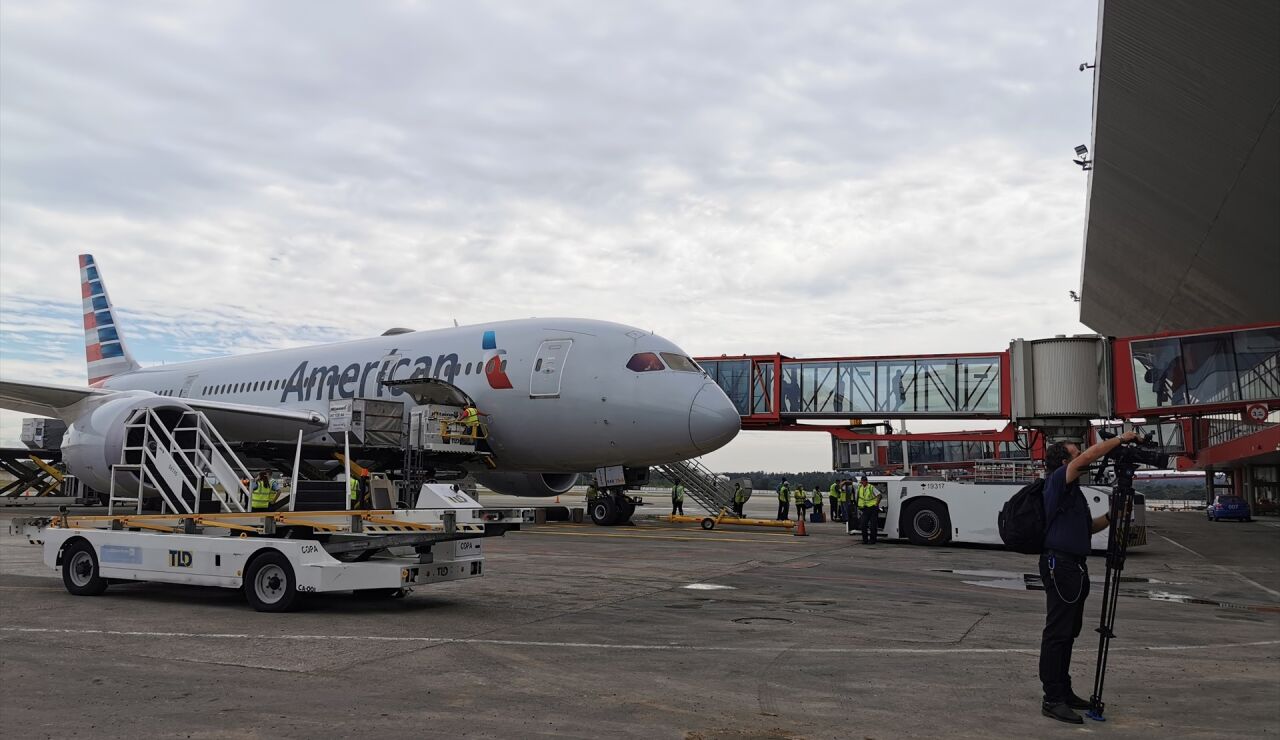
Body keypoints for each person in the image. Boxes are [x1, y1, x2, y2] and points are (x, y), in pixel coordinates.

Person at [1037, 430, 1137, 725]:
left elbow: (1086, 529)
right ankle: (1052, 698)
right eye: (1075, 453)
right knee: (1057, 634)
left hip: (1074, 567)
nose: (1081, 456)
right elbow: (1090, 456)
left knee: (1069, 632)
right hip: (1060, 567)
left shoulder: (1073, 493)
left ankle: (1063, 691)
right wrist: (1121, 439)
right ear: (1063, 461)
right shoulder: (1057, 480)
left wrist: (1111, 517)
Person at [856, 476, 881, 543]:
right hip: (865, 508)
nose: (863, 482)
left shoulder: (871, 487)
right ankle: (865, 540)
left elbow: (879, 495)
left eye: (864, 481)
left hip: (873, 508)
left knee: (873, 525)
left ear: (866, 481)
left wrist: (876, 504)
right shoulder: (860, 487)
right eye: (862, 481)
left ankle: (873, 540)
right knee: (863, 524)